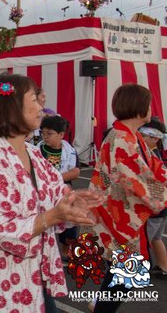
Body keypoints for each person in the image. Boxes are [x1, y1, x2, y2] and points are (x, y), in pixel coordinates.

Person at [0, 74, 102, 313]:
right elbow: (0, 225)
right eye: (34, 99)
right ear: (13, 107)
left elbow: (55, 189)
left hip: (33, 272)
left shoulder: (33, 153)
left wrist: (73, 199)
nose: (40, 107)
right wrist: (54, 216)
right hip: (0, 278)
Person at [85, 84, 167, 313]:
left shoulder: (128, 135)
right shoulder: (123, 138)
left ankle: (99, 304)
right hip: (119, 213)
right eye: (148, 103)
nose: (150, 108)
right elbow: (135, 179)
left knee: (124, 271)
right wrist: (161, 196)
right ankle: (101, 307)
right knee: (130, 270)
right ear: (139, 107)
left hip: (118, 211)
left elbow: (154, 167)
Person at [36, 115, 80, 259]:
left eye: (49, 134)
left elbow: (75, 172)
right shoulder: (38, 150)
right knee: (45, 223)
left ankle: (66, 248)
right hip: (43, 194)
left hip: (64, 193)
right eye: (43, 133)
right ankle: (45, 252)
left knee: (69, 226)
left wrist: (54, 179)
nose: (45, 137)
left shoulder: (70, 151)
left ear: (61, 134)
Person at [139, 116, 167, 278]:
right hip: (161, 205)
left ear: (154, 138)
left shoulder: (150, 155)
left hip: (155, 207)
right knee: (156, 238)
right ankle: (163, 267)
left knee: (143, 240)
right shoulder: (152, 152)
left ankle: (141, 270)